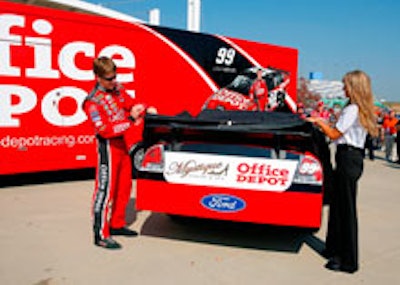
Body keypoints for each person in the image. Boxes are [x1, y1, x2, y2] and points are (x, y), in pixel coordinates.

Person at [307, 70, 378, 273]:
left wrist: (319, 122)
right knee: (338, 207)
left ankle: (348, 260)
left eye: (346, 85)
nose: (343, 88)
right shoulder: (356, 109)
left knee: (345, 210)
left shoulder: (352, 109)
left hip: (348, 159)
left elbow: (334, 133)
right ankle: (334, 249)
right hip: (350, 158)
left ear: (354, 87)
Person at [83, 56, 156, 249]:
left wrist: (142, 107)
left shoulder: (118, 89)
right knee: (105, 191)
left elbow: (130, 104)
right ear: (97, 77)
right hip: (108, 148)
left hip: (123, 145)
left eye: (115, 76)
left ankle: (117, 224)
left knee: (124, 188)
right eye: (109, 78)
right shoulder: (92, 102)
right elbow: (104, 130)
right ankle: (100, 234)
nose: (113, 81)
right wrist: (130, 120)